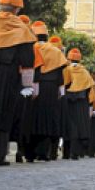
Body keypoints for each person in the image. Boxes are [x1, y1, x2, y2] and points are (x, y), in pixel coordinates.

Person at [0, 0, 36, 166]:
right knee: (4, 113)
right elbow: (28, 60)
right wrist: (28, 85)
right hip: (9, 77)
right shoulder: (21, 28)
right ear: (17, 9)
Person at [24, 31, 66, 162]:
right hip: (51, 87)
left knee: (31, 119)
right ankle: (43, 152)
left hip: (32, 84)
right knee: (47, 119)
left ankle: (29, 153)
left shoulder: (32, 47)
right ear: (47, 38)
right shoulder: (56, 51)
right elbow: (60, 73)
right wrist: (60, 89)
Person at [61, 48, 94, 160]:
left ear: (69, 58)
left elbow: (63, 84)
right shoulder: (85, 72)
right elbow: (90, 89)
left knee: (68, 125)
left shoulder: (67, 69)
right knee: (80, 126)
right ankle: (76, 153)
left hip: (68, 100)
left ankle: (66, 153)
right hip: (81, 101)